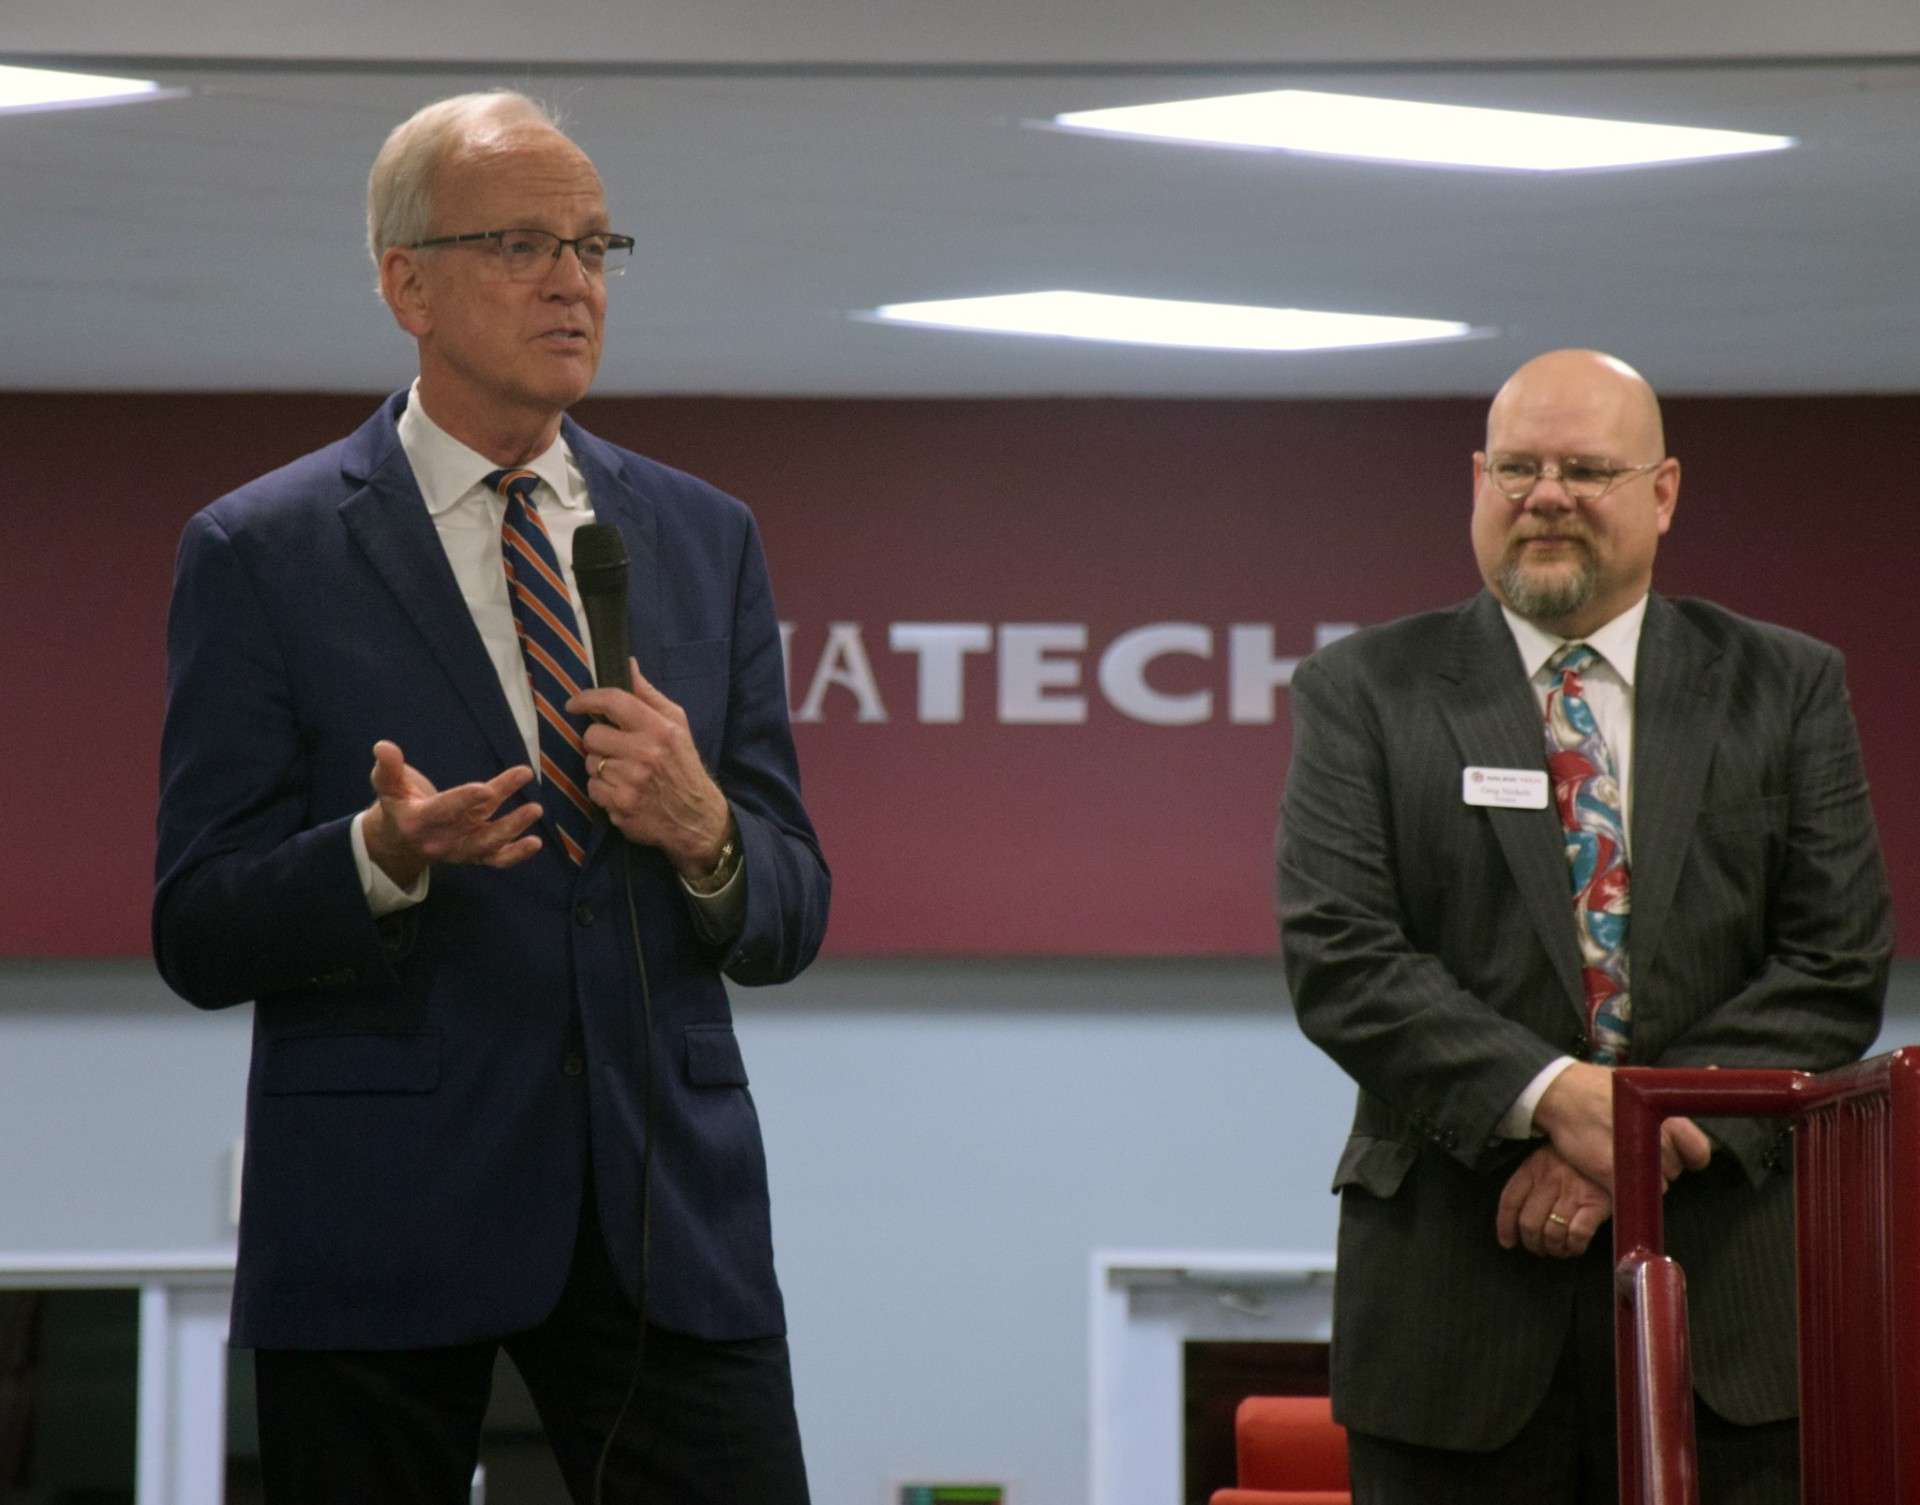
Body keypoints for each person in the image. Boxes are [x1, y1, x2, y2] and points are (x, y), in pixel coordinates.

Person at [153, 90, 829, 1504]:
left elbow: (791, 908)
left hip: (665, 1208)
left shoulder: (705, 537)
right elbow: (196, 926)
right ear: (408, 283)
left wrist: (708, 832)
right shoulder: (261, 550)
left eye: (596, 244)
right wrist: (377, 855)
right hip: (381, 1207)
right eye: (522, 242)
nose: (574, 280)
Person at [1276, 348, 1891, 1504]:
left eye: (1585, 469)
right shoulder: (1363, 690)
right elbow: (1342, 956)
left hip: (1730, 1321)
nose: (1544, 494)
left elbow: (1835, 961)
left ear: (1662, 492)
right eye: (1517, 466)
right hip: (1451, 1317)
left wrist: (1645, 1138)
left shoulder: (1786, 684)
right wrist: (1567, 1102)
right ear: (1475, 479)